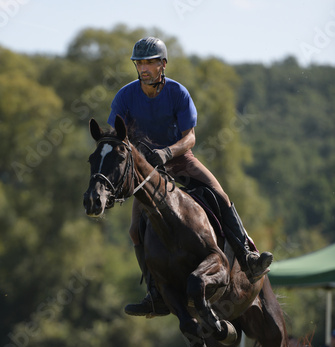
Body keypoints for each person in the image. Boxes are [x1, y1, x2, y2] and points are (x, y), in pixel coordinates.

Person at [107, 37, 273, 317]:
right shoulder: (125, 96)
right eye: (139, 63)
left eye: (149, 62)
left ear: (163, 64)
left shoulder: (178, 92)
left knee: (220, 195)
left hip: (181, 161)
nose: (143, 68)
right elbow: (116, 136)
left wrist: (167, 152)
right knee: (135, 229)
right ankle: (155, 294)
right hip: (147, 173)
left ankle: (247, 256)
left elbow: (190, 138)